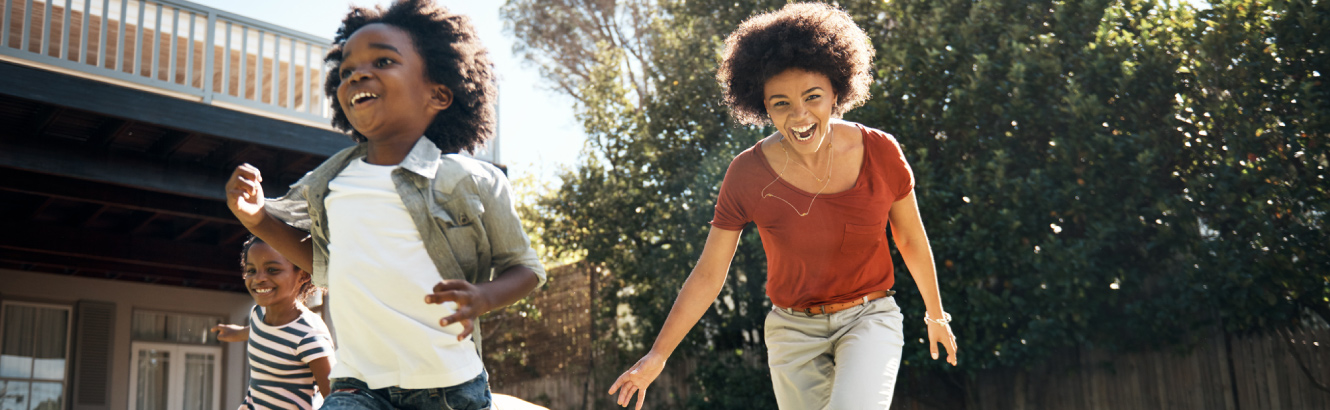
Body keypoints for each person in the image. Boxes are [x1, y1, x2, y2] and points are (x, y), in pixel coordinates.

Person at [608, 3, 958, 409]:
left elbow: (910, 238)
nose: (800, 115)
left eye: (813, 97)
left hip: (869, 316)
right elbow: (709, 273)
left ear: (836, 93)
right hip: (792, 331)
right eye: (781, 104)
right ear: (762, 107)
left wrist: (936, 315)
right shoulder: (747, 174)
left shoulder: (881, 152)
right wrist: (658, 354)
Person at [222, 1, 546, 409]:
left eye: (383, 60)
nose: (358, 72)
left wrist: (484, 297)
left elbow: (527, 269)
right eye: (346, 70)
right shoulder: (329, 184)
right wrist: (256, 219)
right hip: (357, 384)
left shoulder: (473, 181)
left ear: (439, 92)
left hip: (446, 387)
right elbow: (327, 266)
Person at [212, 237, 334, 410]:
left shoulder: (309, 334)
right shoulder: (258, 314)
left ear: (304, 274)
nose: (259, 278)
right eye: (251, 270)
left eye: (272, 270)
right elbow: (259, 331)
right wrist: (237, 333)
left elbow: (334, 396)